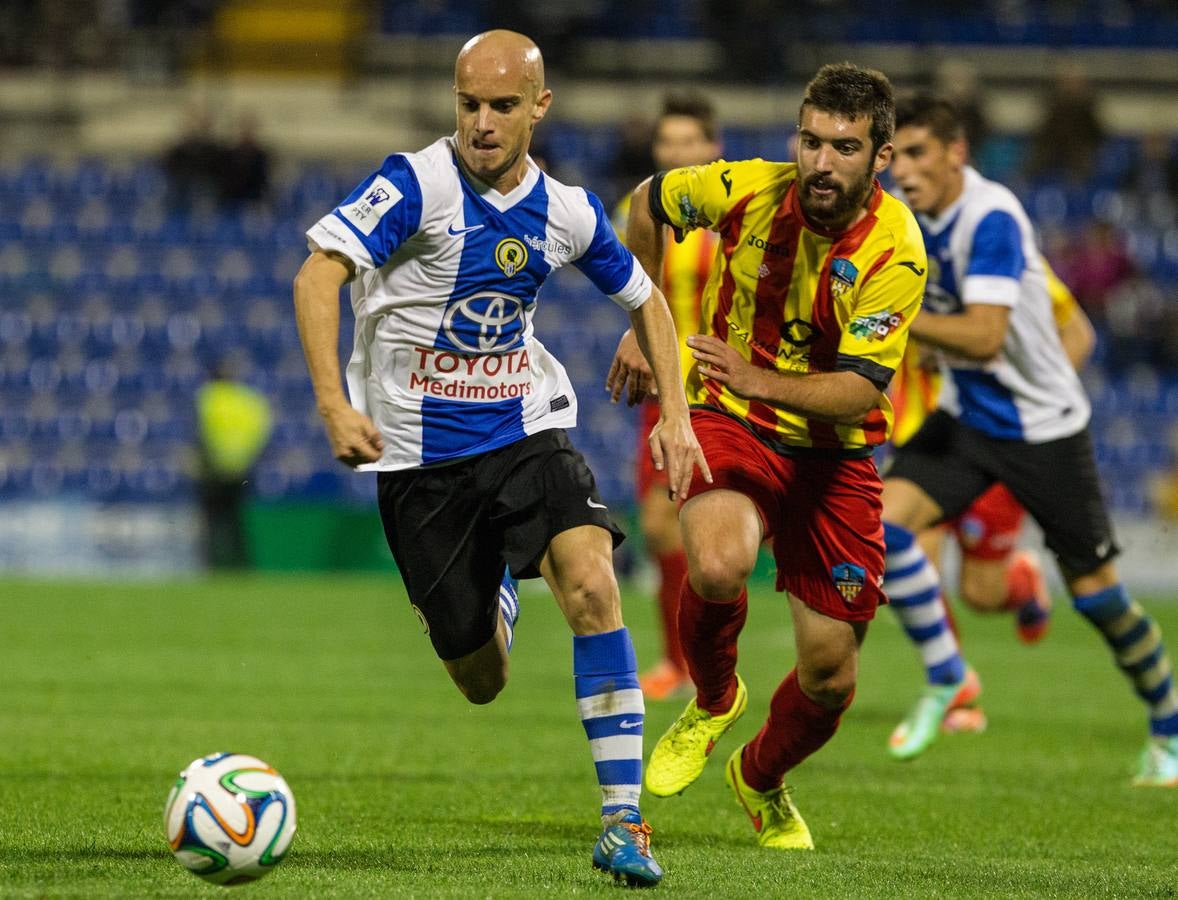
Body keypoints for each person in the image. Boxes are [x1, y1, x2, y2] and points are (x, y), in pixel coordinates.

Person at [292, 30, 711, 887]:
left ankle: (623, 822)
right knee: (481, 678)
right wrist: (334, 403)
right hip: (417, 461)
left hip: (525, 428)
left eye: (503, 106)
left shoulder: (568, 211)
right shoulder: (413, 185)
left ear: (539, 108)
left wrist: (676, 414)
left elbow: (648, 300)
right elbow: (316, 275)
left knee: (594, 582)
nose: (482, 123)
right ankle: (499, 599)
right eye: (468, 105)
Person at [609, 63, 926, 848]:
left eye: (844, 148)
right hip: (733, 419)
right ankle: (714, 699)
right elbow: (649, 199)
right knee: (715, 565)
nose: (821, 163)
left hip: (835, 458)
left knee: (830, 675)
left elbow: (860, 392)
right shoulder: (747, 188)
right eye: (811, 141)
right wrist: (641, 314)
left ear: (879, 157)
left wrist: (758, 374)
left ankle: (758, 776)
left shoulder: (898, 251)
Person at [880, 91, 1178, 784]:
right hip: (966, 419)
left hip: (1044, 430)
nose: (906, 170)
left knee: (1099, 596)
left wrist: (895, 319)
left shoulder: (991, 217)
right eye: (897, 157)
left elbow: (984, 337)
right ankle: (948, 676)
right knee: (880, 527)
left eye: (920, 154)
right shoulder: (911, 221)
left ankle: (1168, 723)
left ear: (956, 154)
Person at [886, 255, 1095, 744]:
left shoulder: (1010, 257)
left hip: (995, 445)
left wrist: (1035, 407)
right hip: (926, 445)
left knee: (981, 594)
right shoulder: (901, 254)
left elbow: (1079, 335)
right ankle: (956, 688)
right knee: (913, 560)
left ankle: (1022, 582)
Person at [612, 93, 721, 701]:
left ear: (712, 149)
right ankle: (676, 662)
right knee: (658, 527)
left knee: (712, 535)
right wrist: (634, 333)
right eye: (666, 143)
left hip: (723, 391)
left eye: (689, 142)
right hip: (663, 386)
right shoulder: (639, 207)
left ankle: (707, 662)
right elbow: (624, 281)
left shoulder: (732, 212)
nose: (677, 153)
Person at [195, 360, 273, 569]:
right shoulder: (249, 400)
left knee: (212, 522)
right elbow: (262, 430)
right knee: (237, 522)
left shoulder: (209, 397)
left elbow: (201, 433)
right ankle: (241, 565)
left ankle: (212, 565)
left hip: (213, 471)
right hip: (242, 470)